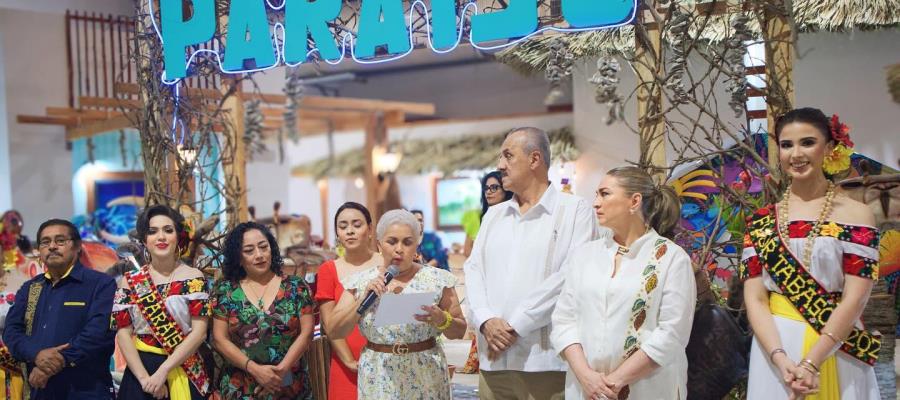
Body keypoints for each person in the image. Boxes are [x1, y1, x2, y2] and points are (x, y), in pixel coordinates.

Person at [742, 108, 882, 399]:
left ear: (829, 148)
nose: (796, 154)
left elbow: (856, 297)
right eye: (787, 145)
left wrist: (811, 362)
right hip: (776, 349)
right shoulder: (761, 221)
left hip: (837, 344)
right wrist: (780, 359)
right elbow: (755, 298)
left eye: (808, 142)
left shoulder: (856, 215)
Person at [464, 127, 596, 399]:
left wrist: (515, 326)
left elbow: (571, 276)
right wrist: (486, 320)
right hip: (493, 358)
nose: (500, 165)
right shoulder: (494, 216)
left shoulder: (574, 210)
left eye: (508, 156)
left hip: (545, 360)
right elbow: (474, 270)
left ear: (535, 159)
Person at [551, 166, 696, 399]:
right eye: (596, 195)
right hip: (585, 389)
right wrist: (586, 376)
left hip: (648, 389)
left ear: (634, 201)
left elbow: (672, 333)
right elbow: (563, 321)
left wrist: (613, 383)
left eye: (604, 194)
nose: (596, 203)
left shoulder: (671, 257)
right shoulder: (584, 256)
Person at [327, 209, 467, 399]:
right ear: (379, 245)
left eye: (407, 242)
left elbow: (459, 331)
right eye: (391, 241)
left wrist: (442, 318)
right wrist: (363, 299)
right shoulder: (359, 283)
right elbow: (335, 331)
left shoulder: (437, 279)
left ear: (417, 245)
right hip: (378, 375)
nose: (399, 249)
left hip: (426, 374)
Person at [3, 219, 116, 399]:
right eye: (45, 242)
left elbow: (99, 332)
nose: (52, 246)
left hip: (87, 389)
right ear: (39, 250)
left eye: (60, 241)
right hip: (40, 390)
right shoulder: (31, 288)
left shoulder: (101, 284)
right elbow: (11, 331)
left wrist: (60, 360)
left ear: (78, 246)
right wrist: (36, 355)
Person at [111, 205, 211, 399]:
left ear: (178, 236)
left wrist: (163, 371)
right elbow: (123, 333)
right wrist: (145, 380)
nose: (161, 237)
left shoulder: (194, 277)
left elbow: (199, 333)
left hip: (183, 366)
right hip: (140, 371)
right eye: (152, 231)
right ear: (144, 240)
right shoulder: (130, 280)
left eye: (168, 230)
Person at [211, 222, 315, 399]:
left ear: (272, 249)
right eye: (249, 250)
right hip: (242, 386)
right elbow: (219, 339)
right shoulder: (226, 290)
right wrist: (255, 370)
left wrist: (279, 373)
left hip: (289, 384)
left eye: (263, 247)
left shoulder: (295, 286)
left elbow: (306, 333)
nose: (259, 255)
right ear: (239, 257)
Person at [315, 202, 382, 400]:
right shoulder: (329, 269)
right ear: (337, 234)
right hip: (347, 364)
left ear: (370, 229)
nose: (350, 231)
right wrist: (349, 362)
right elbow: (328, 323)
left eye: (356, 225)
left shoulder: (385, 263)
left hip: (385, 357)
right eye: (343, 227)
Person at [459, 171, 513, 375]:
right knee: (484, 323)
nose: (489, 192)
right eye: (486, 188)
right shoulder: (480, 217)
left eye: (494, 187)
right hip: (482, 278)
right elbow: (468, 252)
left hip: (505, 280)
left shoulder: (514, 216)